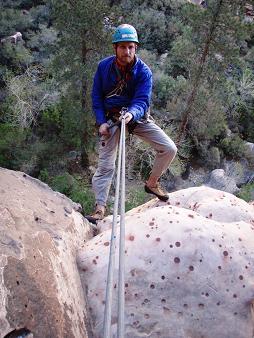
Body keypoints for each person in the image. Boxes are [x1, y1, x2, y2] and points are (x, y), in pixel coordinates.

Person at [89, 24, 177, 222]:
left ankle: (152, 183)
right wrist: (101, 122)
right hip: (111, 119)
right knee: (106, 166)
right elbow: (96, 96)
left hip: (135, 117)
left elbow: (142, 100)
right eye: (122, 47)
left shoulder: (143, 72)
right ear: (115, 48)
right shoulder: (104, 67)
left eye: (130, 47)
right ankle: (99, 208)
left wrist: (131, 114)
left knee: (169, 148)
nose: (127, 51)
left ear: (135, 48)